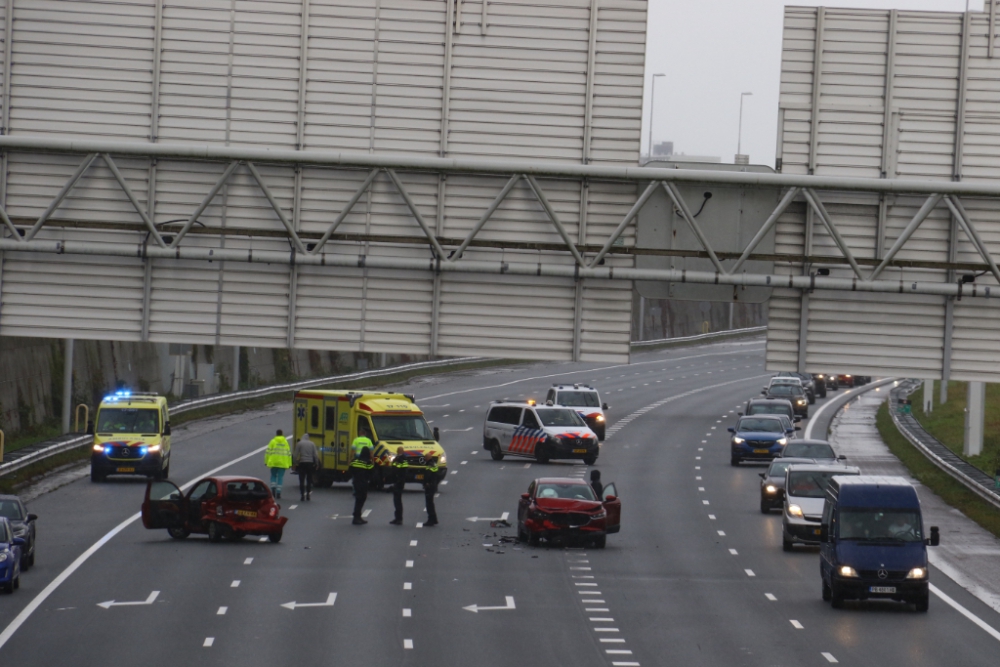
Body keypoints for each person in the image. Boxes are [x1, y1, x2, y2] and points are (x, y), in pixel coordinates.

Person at [264, 429, 292, 499]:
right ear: (282, 434)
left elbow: (268, 452)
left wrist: (266, 462)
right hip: (282, 463)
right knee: (280, 478)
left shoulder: (273, 441)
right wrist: (289, 464)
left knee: (273, 476)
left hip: (274, 462)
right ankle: (278, 493)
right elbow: (288, 453)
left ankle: (273, 489)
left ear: (276, 434)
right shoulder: (285, 442)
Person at [350, 447, 374, 525]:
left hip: (356, 482)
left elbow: (350, 469)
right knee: (361, 499)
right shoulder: (367, 463)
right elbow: (371, 473)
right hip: (363, 483)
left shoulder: (355, 461)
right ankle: (356, 517)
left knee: (358, 499)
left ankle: (357, 516)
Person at [294, 433, 320, 502]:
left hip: (302, 463)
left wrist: (295, 463)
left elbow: (295, 455)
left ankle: (302, 495)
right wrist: (317, 463)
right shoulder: (312, 444)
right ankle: (308, 494)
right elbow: (315, 455)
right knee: (309, 479)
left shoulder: (299, 443)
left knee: (301, 480)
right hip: (310, 464)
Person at [389, 446, 408, 525]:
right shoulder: (401, 458)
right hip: (398, 481)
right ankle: (397, 518)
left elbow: (398, 470)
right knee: (397, 501)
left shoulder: (401, 459)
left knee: (397, 501)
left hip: (399, 482)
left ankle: (399, 518)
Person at [423, 456, 441, 526]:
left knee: (429, 504)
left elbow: (427, 475)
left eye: (425, 457)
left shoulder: (429, 465)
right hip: (433, 485)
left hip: (430, 487)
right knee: (430, 503)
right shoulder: (434, 464)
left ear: (428, 458)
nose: (424, 458)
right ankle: (434, 519)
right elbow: (438, 475)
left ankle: (431, 519)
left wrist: (426, 483)